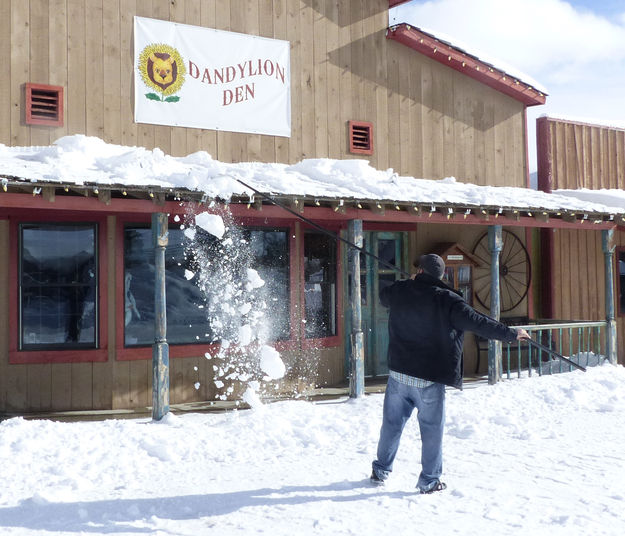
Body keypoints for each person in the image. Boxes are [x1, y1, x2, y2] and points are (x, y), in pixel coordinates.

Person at [370, 253, 529, 493]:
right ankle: (429, 481)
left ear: (420, 271)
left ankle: (380, 470)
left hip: (399, 374)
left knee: (391, 425)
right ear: (442, 275)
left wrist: (409, 283)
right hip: (428, 379)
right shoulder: (449, 301)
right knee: (432, 430)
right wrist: (509, 333)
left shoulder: (401, 291)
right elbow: (479, 322)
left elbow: (384, 295)